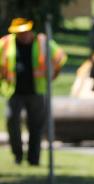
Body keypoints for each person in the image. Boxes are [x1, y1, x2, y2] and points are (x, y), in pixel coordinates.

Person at [0, 18, 66, 165]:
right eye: (19, 33)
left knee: (36, 126)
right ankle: (17, 155)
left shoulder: (42, 41)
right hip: (13, 90)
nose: (22, 35)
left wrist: (53, 74)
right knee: (12, 121)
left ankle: (33, 159)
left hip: (36, 90)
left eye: (24, 32)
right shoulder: (6, 42)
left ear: (30, 30)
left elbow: (60, 57)